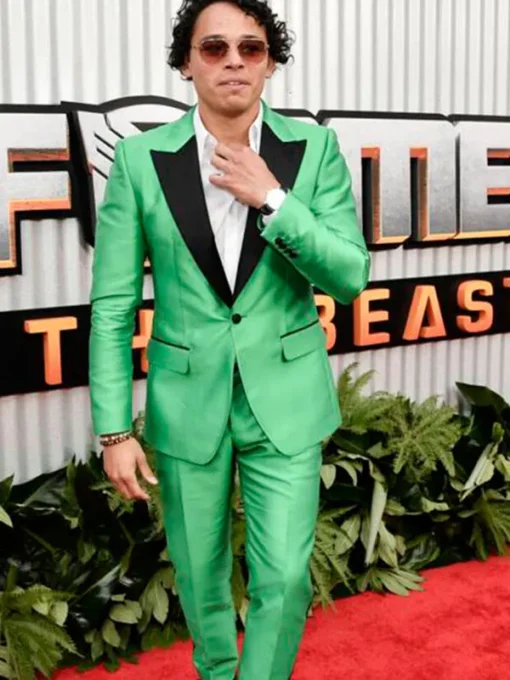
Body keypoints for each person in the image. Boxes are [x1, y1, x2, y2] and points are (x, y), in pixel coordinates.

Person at [88, 0, 370, 678]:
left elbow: (349, 275)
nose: (234, 61)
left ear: (271, 62)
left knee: (286, 577)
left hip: (286, 399)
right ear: (187, 63)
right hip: (188, 401)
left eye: (251, 47)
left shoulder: (313, 151)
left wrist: (274, 199)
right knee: (201, 577)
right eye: (214, 48)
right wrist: (114, 431)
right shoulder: (140, 159)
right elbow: (113, 305)